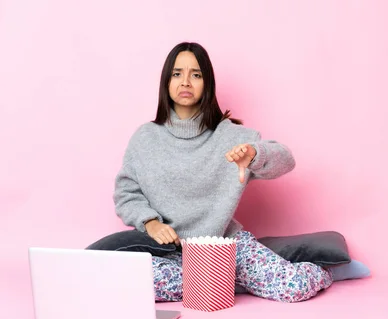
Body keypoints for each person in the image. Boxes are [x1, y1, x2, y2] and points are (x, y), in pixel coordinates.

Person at [86, 42, 333, 303]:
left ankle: (328, 271)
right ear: (166, 82)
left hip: (227, 247)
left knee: (293, 287)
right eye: (177, 73)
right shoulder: (145, 138)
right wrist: (151, 222)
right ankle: (222, 282)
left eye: (196, 75)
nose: (185, 82)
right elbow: (126, 194)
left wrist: (254, 155)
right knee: (133, 283)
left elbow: (286, 159)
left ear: (207, 83)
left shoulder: (231, 136)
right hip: (172, 255)